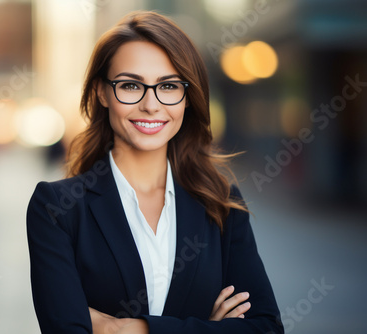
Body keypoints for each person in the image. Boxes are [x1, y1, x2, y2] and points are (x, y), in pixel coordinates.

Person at [26, 10, 283, 334]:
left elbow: (266, 328)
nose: (151, 104)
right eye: (131, 85)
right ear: (101, 92)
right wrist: (208, 328)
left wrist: (122, 329)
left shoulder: (221, 203)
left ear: (188, 98)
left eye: (169, 86)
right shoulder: (57, 209)